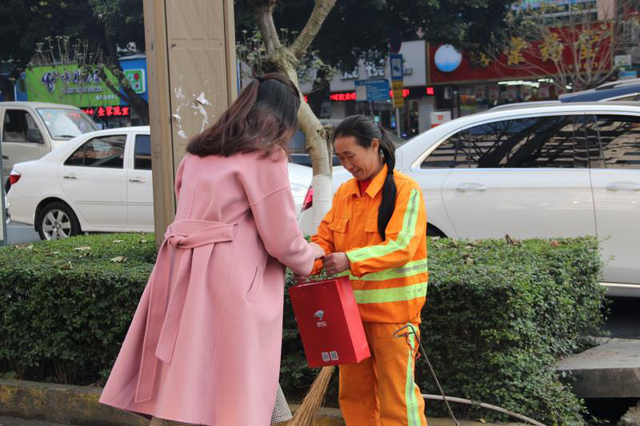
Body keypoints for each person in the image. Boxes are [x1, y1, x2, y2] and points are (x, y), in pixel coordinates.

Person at [99, 73, 325, 426]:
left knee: (192, 370)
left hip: (180, 271)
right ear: (283, 116)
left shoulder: (200, 152)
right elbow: (281, 237)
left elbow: (185, 206)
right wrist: (310, 258)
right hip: (228, 279)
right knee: (238, 374)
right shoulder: (265, 156)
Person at [310, 115, 428, 426]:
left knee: (397, 400)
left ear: (374, 146)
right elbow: (323, 239)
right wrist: (305, 260)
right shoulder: (344, 193)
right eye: (341, 157)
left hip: (394, 317)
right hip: (350, 317)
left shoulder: (406, 190)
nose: (347, 164)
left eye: (351, 155)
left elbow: (402, 245)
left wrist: (349, 260)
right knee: (354, 398)